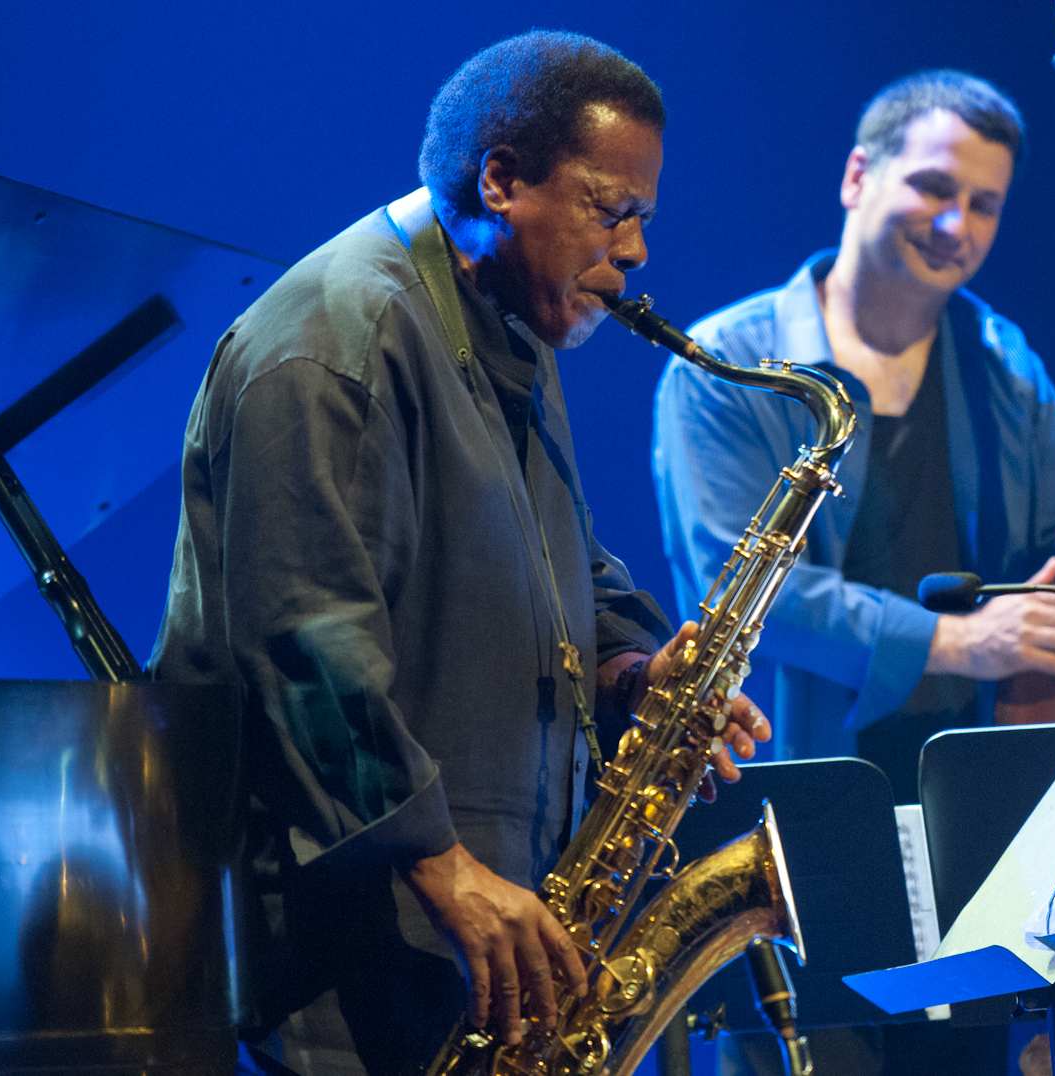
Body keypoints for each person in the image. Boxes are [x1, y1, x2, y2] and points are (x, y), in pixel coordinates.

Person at [148, 32, 768, 1076]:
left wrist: (632, 667)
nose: (635, 251)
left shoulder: (500, 313)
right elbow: (306, 646)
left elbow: (551, 542)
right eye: (611, 210)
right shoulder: (333, 338)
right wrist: (438, 862)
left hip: (468, 941)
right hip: (348, 965)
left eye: (641, 220)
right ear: (502, 177)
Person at [652, 70, 1055, 1076]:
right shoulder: (727, 364)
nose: (956, 222)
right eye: (933, 187)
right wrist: (957, 641)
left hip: (976, 826)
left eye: (985, 205)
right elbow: (740, 595)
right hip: (797, 818)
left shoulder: (1004, 362)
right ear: (858, 175)